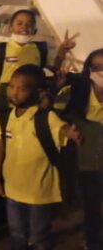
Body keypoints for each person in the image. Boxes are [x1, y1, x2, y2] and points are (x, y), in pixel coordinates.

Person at [0, 64, 81, 250]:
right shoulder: (5, 118)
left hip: (39, 192)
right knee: (17, 233)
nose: (15, 92)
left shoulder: (46, 118)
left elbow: (63, 129)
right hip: (13, 189)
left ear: (36, 92)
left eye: (22, 88)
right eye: (12, 86)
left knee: (39, 236)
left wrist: (72, 133)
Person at [54, 49, 103, 250]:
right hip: (86, 162)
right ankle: (92, 242)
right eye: (97, 67)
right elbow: (52, 114)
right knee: (92, 206)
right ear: (88, 69)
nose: (102, 71)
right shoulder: (75, 92)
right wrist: (57, 87)